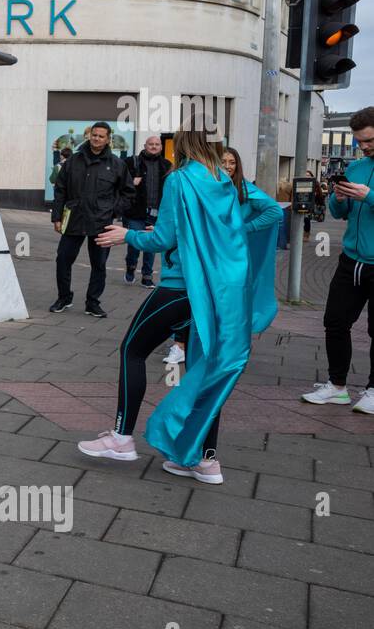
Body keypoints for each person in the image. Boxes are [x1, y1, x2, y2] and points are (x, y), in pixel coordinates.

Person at [78, 124, 280, 484]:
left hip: (181, 286)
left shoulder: (180, 179)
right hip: (220, 293)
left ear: (182, 145)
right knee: (206, 369)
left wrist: (129, 235)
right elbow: (262, 219)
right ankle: (205, 461)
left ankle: (122, 438)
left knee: (132, 351)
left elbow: (165, 237)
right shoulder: (226, 182)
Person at [302, 108, 374, 413]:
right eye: (360, 142)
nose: (365, 147)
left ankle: (373, 391)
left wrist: (368, 195)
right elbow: (339, 213)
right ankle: (337, 387)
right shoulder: (356, 167)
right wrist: (339, 198)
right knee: (335, 321)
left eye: (369, 140)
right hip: (350, 260)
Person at [49, 122, 135, 318]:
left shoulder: (116, 164)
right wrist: (57, 217)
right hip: (74, 220)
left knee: (99, 265)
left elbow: (129, 193)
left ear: (108, 139)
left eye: (101, 136)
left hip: (101, 223)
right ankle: (64, 297)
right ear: (90, 136)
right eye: (94, 135)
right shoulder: (73, 161)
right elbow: (60, 189)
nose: (96, 139)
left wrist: (112, 211)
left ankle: (93, 303)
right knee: (63, 260)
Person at [122, 135, 172, 287]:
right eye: (151, 144)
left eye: (157, 144)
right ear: (145, 145)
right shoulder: (131, 162)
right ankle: (131, 267)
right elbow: (119, 182)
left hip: (157, 212)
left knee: (152, 245)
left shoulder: (167, 165)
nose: (154, 146)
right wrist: (131, 181)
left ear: (161, 147)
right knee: (135, 244)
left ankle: (147, 276)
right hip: (136, 212)